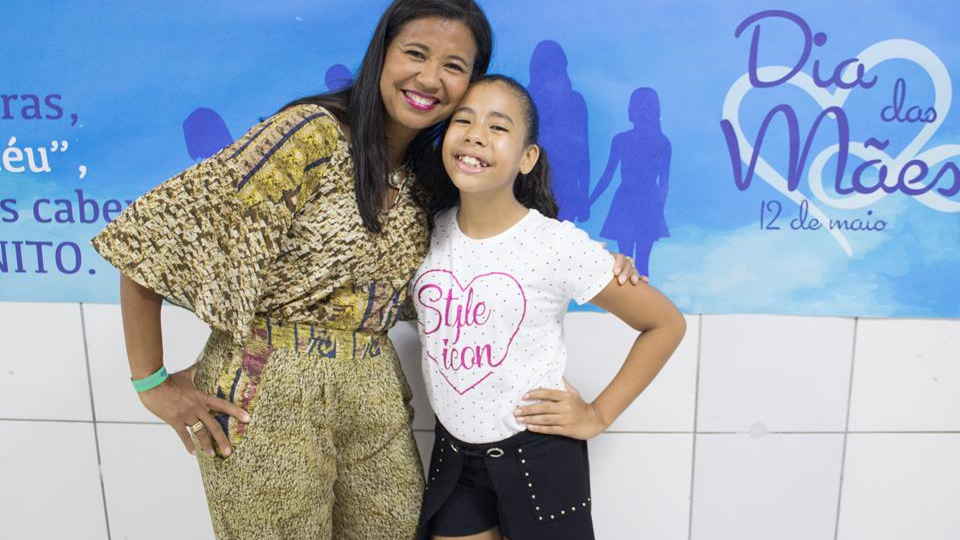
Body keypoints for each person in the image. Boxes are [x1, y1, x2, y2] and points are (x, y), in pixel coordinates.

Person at [90, 2, 638, 539]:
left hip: (374, 389)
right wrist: (151, 383)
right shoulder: (310, 136)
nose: (430, 77)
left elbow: (485, 247)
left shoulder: (429, 176)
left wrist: (598, 264)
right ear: (382, 54)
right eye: (415, 54)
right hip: (269, 385)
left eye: (453, 66)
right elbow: (155, 239)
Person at [410, 76, 686, 540]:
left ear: (527, 157)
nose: (476, 135)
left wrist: (598, 415)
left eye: (498, 127)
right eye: (463, 120)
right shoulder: (425, 232)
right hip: (454, 458)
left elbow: (665, 324)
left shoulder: (556, 245)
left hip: (538, 457)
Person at [589, 87, 671, 277]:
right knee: (636, 262)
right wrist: (658, 209)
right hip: (640, 203)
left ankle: (631, 294)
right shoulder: (661, 142)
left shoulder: (623, 140)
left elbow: (607, 176)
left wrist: (590, 201)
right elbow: (663, 183)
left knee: (625, 261)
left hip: (630, 202)